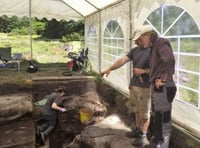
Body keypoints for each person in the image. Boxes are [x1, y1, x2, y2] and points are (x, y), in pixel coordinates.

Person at [100, 25, 153, 147]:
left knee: (145, 113)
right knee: (136, 111)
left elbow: (160, 70)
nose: (135, 42)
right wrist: (109, 69)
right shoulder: (135, 50)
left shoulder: (153, 51)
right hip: (134, 85)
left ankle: (143, 136)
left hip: (146, 87)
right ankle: (138, 130)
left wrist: (144, 71)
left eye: (138, 39)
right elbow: (121, 60)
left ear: (146, 36)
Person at [133, 25, 177, 148]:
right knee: (157, 116)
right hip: (159, 88)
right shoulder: (153, 46)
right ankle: (156, 142)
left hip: (164, 86)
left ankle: (162, 145)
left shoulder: (161, 42)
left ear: (148, 35)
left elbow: (168, 59)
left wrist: (163, 79)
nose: (139, 42)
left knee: (163, 119)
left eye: (141, 38)